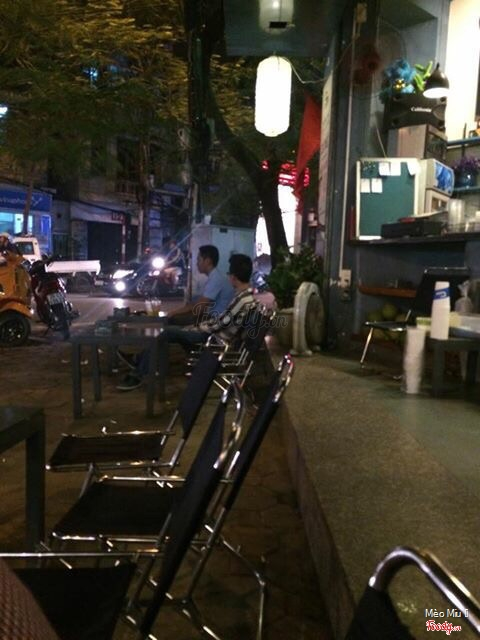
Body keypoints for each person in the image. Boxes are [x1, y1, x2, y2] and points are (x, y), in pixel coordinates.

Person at [117, 253, 257, 391]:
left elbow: (218, 324)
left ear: (233, 277)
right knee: (170, 331)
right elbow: (220, 322)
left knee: (166, 332)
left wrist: (194, 328)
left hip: (212, 340)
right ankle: (140, 362)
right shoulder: (246, 298)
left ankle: (138, 372)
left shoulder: (242, 299)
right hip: (214, 336)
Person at [167, 244, 234, 325]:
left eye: (199, 260)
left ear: (207, 261)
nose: (197, 263)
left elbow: (198, 308)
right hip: (213, 317)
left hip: (215, 320)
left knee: (172, 319)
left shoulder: (216, 279)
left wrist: (174, 312)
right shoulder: (215, 276)